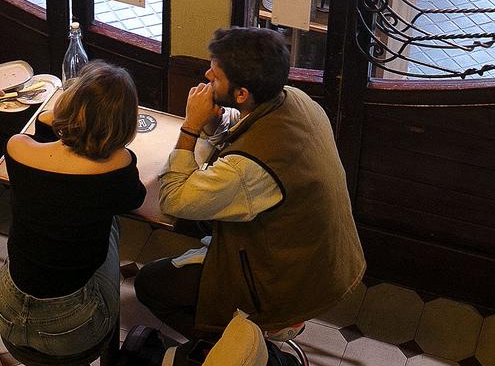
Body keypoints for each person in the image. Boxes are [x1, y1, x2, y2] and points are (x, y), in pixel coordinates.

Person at [134, 27, 366, 337]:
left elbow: (173, 200)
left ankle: (240, 347)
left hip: (282, 280)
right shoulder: (293, 99)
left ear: (241, 93)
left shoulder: (251, 168)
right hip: (317, 258)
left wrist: (190, 127)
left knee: (149, 284)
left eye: (215, 77)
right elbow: (245, 124)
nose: (206, 75)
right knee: (206, 218)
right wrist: (214, 119)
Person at [0, 62, 144, 366]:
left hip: (6, 311)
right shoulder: (118, 165)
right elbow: (135, 198)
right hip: (72, 325)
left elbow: (44, 134)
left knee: (47, 229)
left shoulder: (17, 150)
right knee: (111, 226)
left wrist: (59, 118)